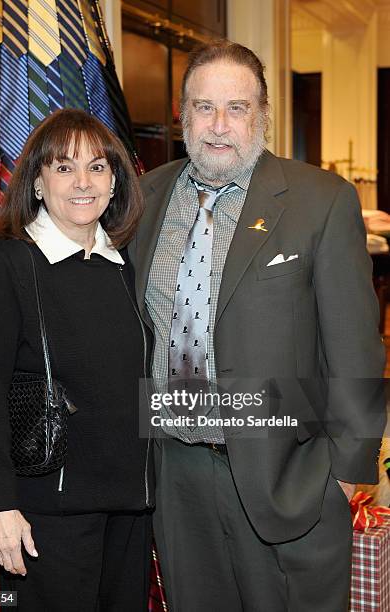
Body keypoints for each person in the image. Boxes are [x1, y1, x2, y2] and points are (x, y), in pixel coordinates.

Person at [131, 41, 387, 611]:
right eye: (203, 107)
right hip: (174, 471)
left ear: (263, 114)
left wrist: (347, 471)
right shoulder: (145, 197)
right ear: (182, 113)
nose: (219, 125)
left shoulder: (320, 200)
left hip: (287, 473)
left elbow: (355, 348)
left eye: (237, 107)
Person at [0, 108, 153, 611]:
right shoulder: (13, 265)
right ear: (39, 184)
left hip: (132, 507)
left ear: (114, 183)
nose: (83, 182)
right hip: (49, 513)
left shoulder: (123, 266)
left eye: (97, 167)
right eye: (64, 167)